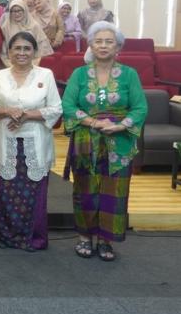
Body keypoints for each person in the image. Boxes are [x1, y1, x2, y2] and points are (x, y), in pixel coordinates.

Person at [62, 22, 147, 261]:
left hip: (118, 142)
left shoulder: (130, 74)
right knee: (85, 191)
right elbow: (67, 105)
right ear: (90, 44)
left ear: (118, 46)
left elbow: (140, 107)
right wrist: (91, 122)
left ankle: (106, 241)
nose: (103, 45)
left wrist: (120, 125)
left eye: (109, 41)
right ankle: (84, 237)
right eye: (98, 41)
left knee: (114, 193)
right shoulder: (79, 74)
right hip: (85, 142)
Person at [0, 32, 62, 251]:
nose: (21, 53)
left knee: (34, 193)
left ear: (34, 52)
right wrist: (7, 111)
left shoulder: (45, 75)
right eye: (17, 48)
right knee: (7, 191)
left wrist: (26, 115)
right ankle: (7, 237)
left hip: (36, 143)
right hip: (6, 142)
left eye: (26, 48)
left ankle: (34, 239)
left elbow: (56, 109)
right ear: (9, 52)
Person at [0, 0, 54, 68]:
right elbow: (2, 51)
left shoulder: (34, 26)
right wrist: (10, 66)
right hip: (11, 65)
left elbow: (43, 48)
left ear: (25, 10)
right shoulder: (5, 28)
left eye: (19, 10)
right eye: (13, 11)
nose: (16, 13)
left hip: (33, 65)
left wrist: (33, 64)